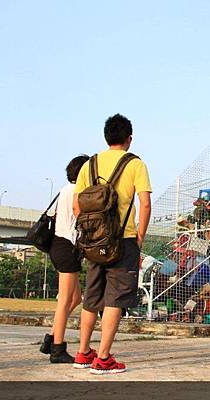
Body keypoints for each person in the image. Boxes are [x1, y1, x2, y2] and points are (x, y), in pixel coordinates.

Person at [72, 114, 152, 374]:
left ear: (106, 137)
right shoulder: (135, 164)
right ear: (129, 139)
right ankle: (104, 357)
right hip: (123, 241)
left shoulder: (90, 165)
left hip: (93, 243)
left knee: (91, 297)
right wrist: (139, 235)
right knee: (115, 299)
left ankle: (83, 352)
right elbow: (145, 203)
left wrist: (93, 233)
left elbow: (77, 206)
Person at [40, 155, 89, 363]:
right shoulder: (76, 192)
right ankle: (58, 349)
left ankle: (51, 338)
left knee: (76, 298)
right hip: (66, 247)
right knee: (64, 301)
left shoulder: (64, 190)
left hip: (59, 246)